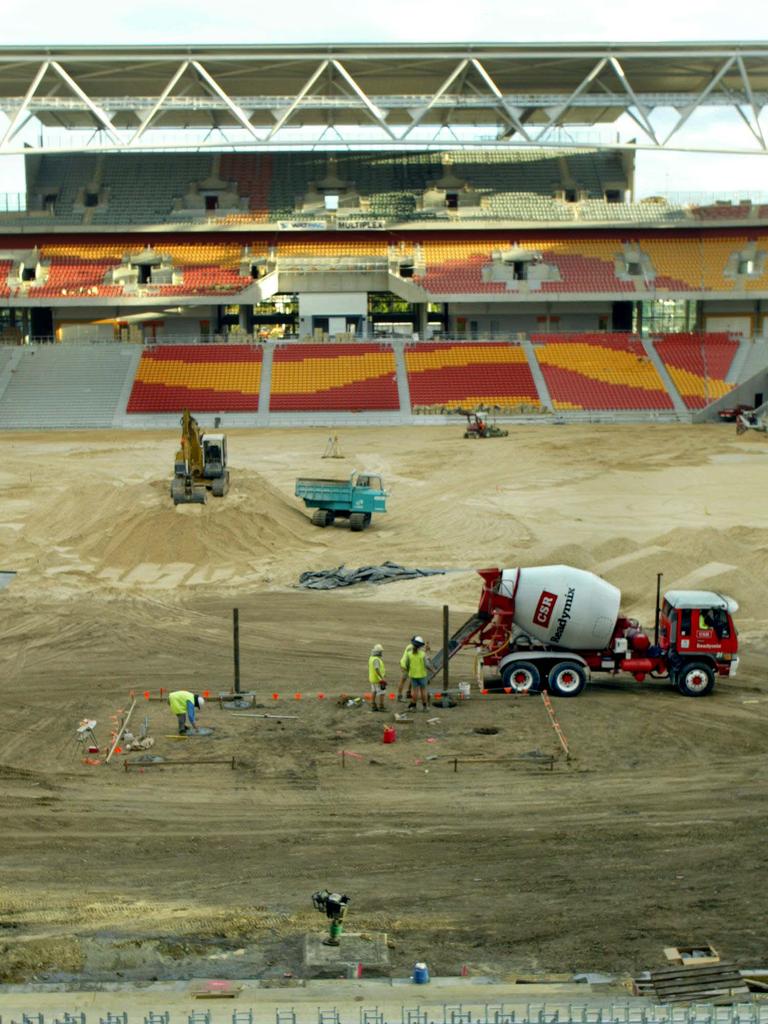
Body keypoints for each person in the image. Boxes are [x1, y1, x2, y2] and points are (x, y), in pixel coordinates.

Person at [404, 636, 431, 711]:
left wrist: (409, 670)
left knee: (415, 692)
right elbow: (427, 665)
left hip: (413, 676)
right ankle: (425, 707)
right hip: (422, 675)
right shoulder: (423, 654)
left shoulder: (409, 654)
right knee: (423, 691)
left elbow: (407, 665)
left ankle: (413, 707)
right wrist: (432, 670)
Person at [369, 643, 387, 711]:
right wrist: (382, 678)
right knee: (382, 693)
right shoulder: (376, 659)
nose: (381, 653)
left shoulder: (371, 658)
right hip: (378, 680)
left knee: (374, 692)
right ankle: (381, 707)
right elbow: (377, 669)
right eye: (380, 651)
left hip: (372, 679)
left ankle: (373, 705)